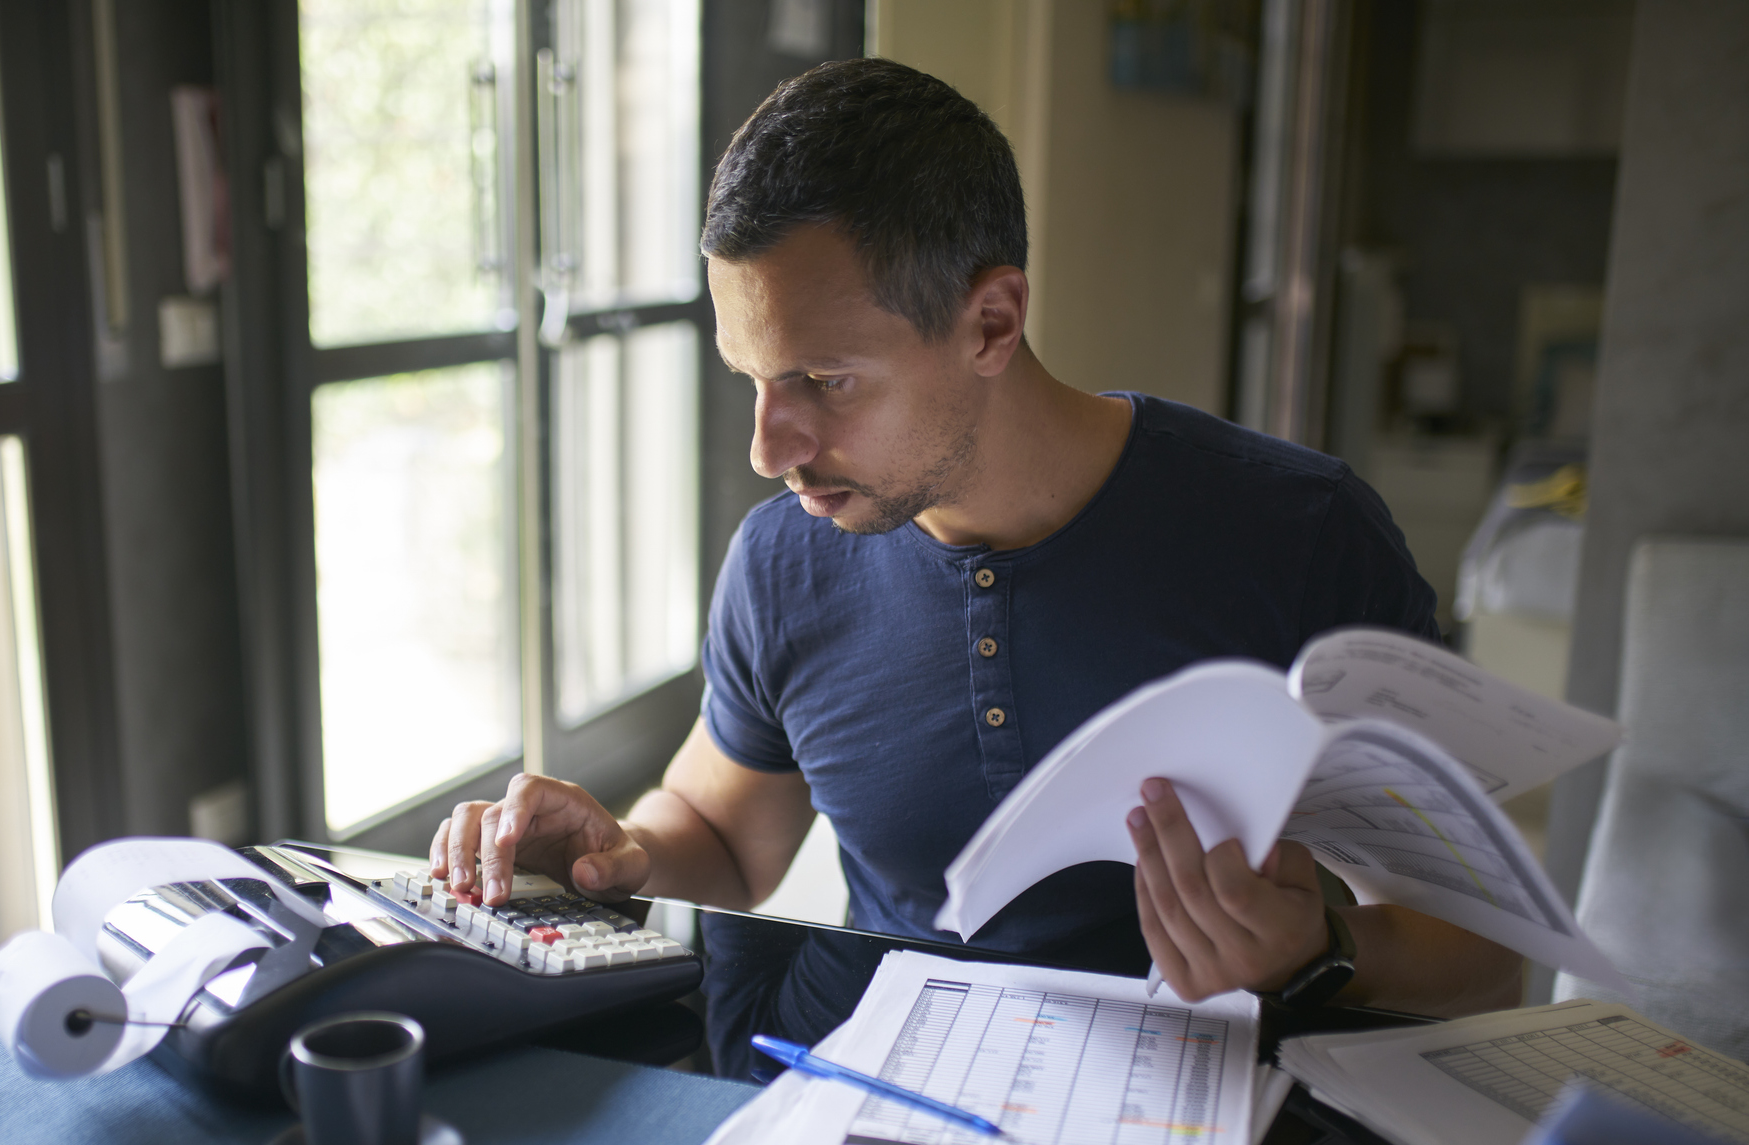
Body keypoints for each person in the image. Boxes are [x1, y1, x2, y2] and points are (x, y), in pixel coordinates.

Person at [430, 59, 1521, 1068]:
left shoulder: (1301, 536)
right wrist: (617, 852)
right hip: (855, 1086)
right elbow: (721, 834)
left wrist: (1319, 951)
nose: (768, 448)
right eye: (750, 377)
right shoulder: (782, 560)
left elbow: (1482, 953)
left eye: (825, 380)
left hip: (1179, 1112)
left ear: (991, 322)